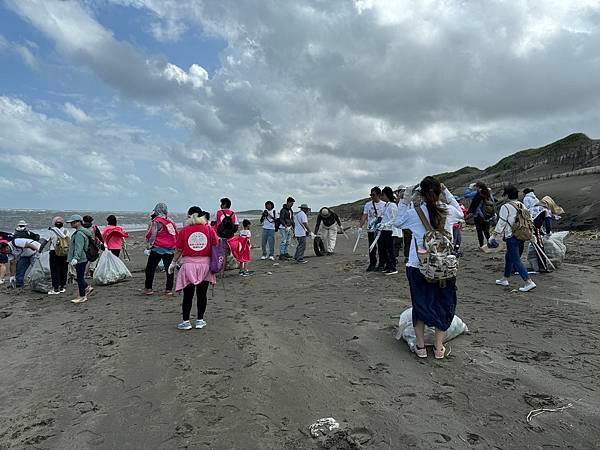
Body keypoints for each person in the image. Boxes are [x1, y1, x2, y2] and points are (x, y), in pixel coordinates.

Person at [395, 177, 464, 359]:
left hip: (418, 265)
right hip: (445, 267)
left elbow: (397, 222)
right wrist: (447, 192)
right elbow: (462, 214)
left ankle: (420, 346)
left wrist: (406, 198)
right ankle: (439, 347)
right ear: (439, 192)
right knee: (444, 303)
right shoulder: (448, 211)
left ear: (422, 195)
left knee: (420, 304)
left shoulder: (414, 214)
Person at [169, 206, 218, 330]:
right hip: (205, 266)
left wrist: (173, 263)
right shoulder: (209, 229)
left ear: (189, 216)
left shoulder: (185, 230)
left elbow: (179, 249)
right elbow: (215, 245)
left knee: (188, 295)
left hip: (188, 266)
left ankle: (186, 322)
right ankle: (200, 320)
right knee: (202, 294)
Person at [489, 185, 537, 292]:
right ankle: (505, 279)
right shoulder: (522, 205)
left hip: (512, 236)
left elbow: (501, 222)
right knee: (509, 257)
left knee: (515, 259)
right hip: (522, 235)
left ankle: (528, 282)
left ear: (506, 195)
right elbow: (529, 220)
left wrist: (493, 236)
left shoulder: (505, 207)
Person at [144, 203, 178, 296]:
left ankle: (148, 288)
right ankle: (169, 289)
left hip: (157, 248)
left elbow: (153, 234)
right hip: (170, 249)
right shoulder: (170, 221)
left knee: (150, 269)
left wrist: (149, 246)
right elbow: (175, 234)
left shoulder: (156, 221)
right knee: (169, 269)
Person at [66, 214, 94, 303]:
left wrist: (75, 258)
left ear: (78, 222)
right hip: (82, 258)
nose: (71, 224)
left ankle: (82, 296)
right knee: (79, 276)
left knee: (79, 277)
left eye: (73, 222)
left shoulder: (79, 233)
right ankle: (86, 288)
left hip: (81, 258)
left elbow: (79, 247)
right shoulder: (82, 232)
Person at [359, 186, 386, 271]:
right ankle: (372, 263)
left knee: (381, 247)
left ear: (379, 195)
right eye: (371, 195)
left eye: (373, 195)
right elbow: (364, 215)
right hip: (371, 229)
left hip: (381, 230)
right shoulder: (368, 205)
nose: (372, 196)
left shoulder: (384, 205)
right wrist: (360, 226)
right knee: (371, 247)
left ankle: (382, 264)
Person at [466, 181, 494, 248]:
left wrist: (470, 187)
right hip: (487, 215)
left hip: (478, 215)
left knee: (479, 232)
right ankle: (490, 244)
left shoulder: (477, 193)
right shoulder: (488, 193)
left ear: (478, 187)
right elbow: (492, 202)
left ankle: (482, 245)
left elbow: (466, 195)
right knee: (486, 231)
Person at [377, 187, 399, 275]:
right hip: (384, 230)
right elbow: (384, 217)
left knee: (390, 249)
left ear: (386, 195)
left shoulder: (393, 205)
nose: (382, 197)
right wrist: (380, 224)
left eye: (383, 195)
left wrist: (385, 224)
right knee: (384, 249)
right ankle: (388, 265)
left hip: (390, 230)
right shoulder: (386, 205)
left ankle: (393, 267)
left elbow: (394, 219)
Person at [47, 216, 69, 295]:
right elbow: (68, 241)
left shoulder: (51, 231)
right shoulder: (66, 231)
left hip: (54, 252)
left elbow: (46, 241)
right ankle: (62, 286)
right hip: (64, 252)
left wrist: (39, 251)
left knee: (54, 269)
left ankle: (56, 288)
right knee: (64, 268)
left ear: (54, 223)